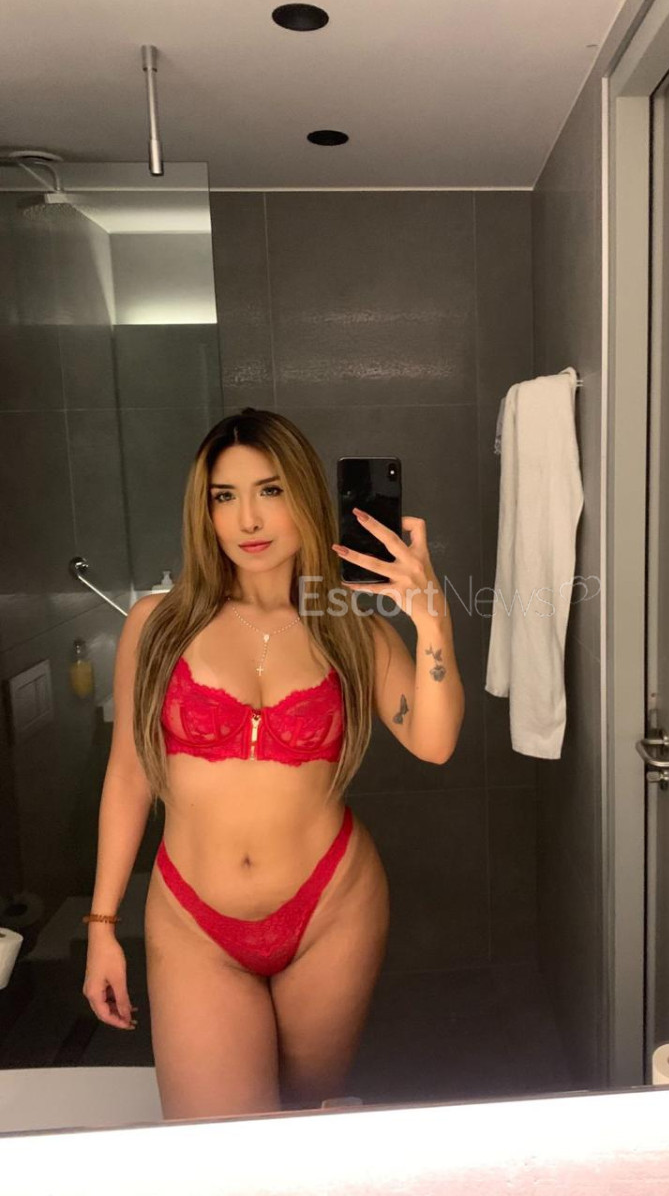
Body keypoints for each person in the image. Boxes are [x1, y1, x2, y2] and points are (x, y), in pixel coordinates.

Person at [81, 408, 464, 1120]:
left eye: (271, 490)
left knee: (302, 1129)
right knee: (224, 1151)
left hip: (331, 910)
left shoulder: (350, 627)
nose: (248, 519)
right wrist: (102, 926)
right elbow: (129, 777)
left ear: (307, 498)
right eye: (225, 496)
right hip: (193, 922)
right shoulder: (156, 625)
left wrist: (430, 614)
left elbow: (434, 741)